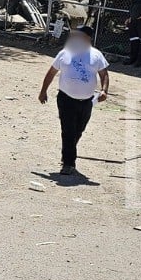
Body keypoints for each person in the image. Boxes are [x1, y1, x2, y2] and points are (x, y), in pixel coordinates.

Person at [38, 25, 109, 177]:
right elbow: (51, 72)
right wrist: (43, 91)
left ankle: (68, 152)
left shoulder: (96, 55)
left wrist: (104, 90)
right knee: (68, 131)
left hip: (87, 101)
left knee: (79, 130)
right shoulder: (65, 53)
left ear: (87, 38)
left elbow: (104, 74)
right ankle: (69, 163)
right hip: (66, 99)